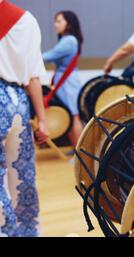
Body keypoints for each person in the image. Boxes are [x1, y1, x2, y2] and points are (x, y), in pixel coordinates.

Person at [0, 0, 48, 237]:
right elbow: (34, 76)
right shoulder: (27, 20)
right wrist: (43, 119)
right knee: (21, 174)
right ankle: (27, 231)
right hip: (19, 101)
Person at [43, 11, 84, 148]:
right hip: (65, 81)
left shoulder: (69, 40)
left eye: (59, 21)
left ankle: (80, 153)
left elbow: (49, 56)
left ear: (69, 24)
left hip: (67, 83)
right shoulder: (68, 39)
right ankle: (76, 150)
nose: (56, 24)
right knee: (71, 116)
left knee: (74, 116)